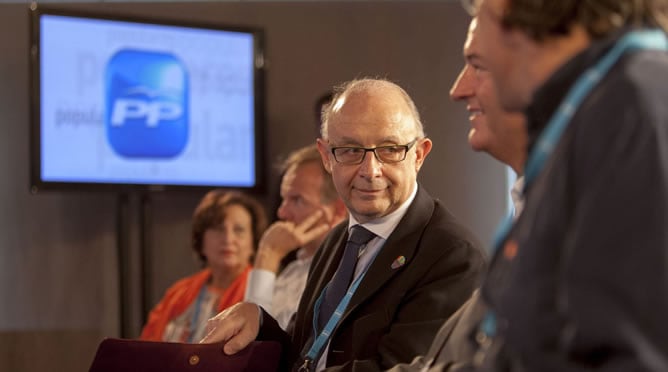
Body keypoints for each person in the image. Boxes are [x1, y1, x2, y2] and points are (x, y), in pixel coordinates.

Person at [201, 78, 486, 371]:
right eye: (351, 151)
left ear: (418, 155)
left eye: (389, 149)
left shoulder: (452, 255)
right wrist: (259, 321)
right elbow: (305, 355)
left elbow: (397, 368)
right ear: (327, 157)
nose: (370, 170)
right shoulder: (338, 239)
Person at [463, 0, 668, 370]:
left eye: (480, 13)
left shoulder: (632, 104)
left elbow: (631, 353)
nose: (461, 85)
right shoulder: (598, 107)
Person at [388, 16, 527, 372]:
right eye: (348, 150)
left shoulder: (452, 251)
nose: (458, 89)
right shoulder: (531, 202)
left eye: (478, 65)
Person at [140, 190, 268, 343]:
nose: (228, 238)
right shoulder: (177, 293)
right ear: (201, 240)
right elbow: (146, 346)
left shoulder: (262, 294)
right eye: (219, 229)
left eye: (239, 230)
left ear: (253, 243)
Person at [244, 144, 347, 330]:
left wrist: (268, 255)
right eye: (284, 199)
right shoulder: (293, 270)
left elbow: (256, 344)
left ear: (338, 210)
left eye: (297, 200)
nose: (282, 212)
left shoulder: (342, 275)